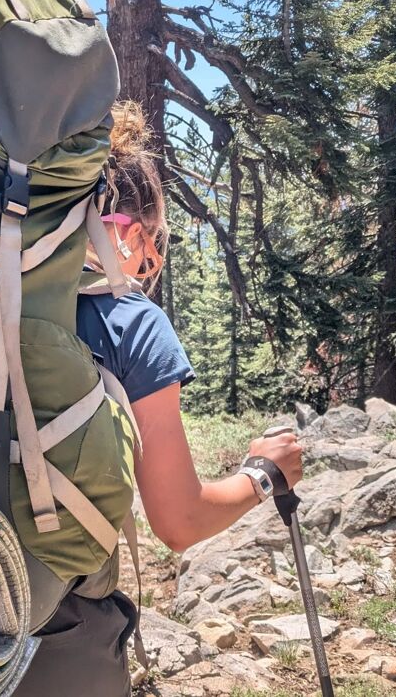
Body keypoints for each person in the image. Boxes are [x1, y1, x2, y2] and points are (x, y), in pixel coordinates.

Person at [15, 100, 304, 696]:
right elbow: (180, 521)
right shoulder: (129, 323)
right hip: (47, 633)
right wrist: (263, 474)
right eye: (158, 236)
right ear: (132, 231)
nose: (154, 257)